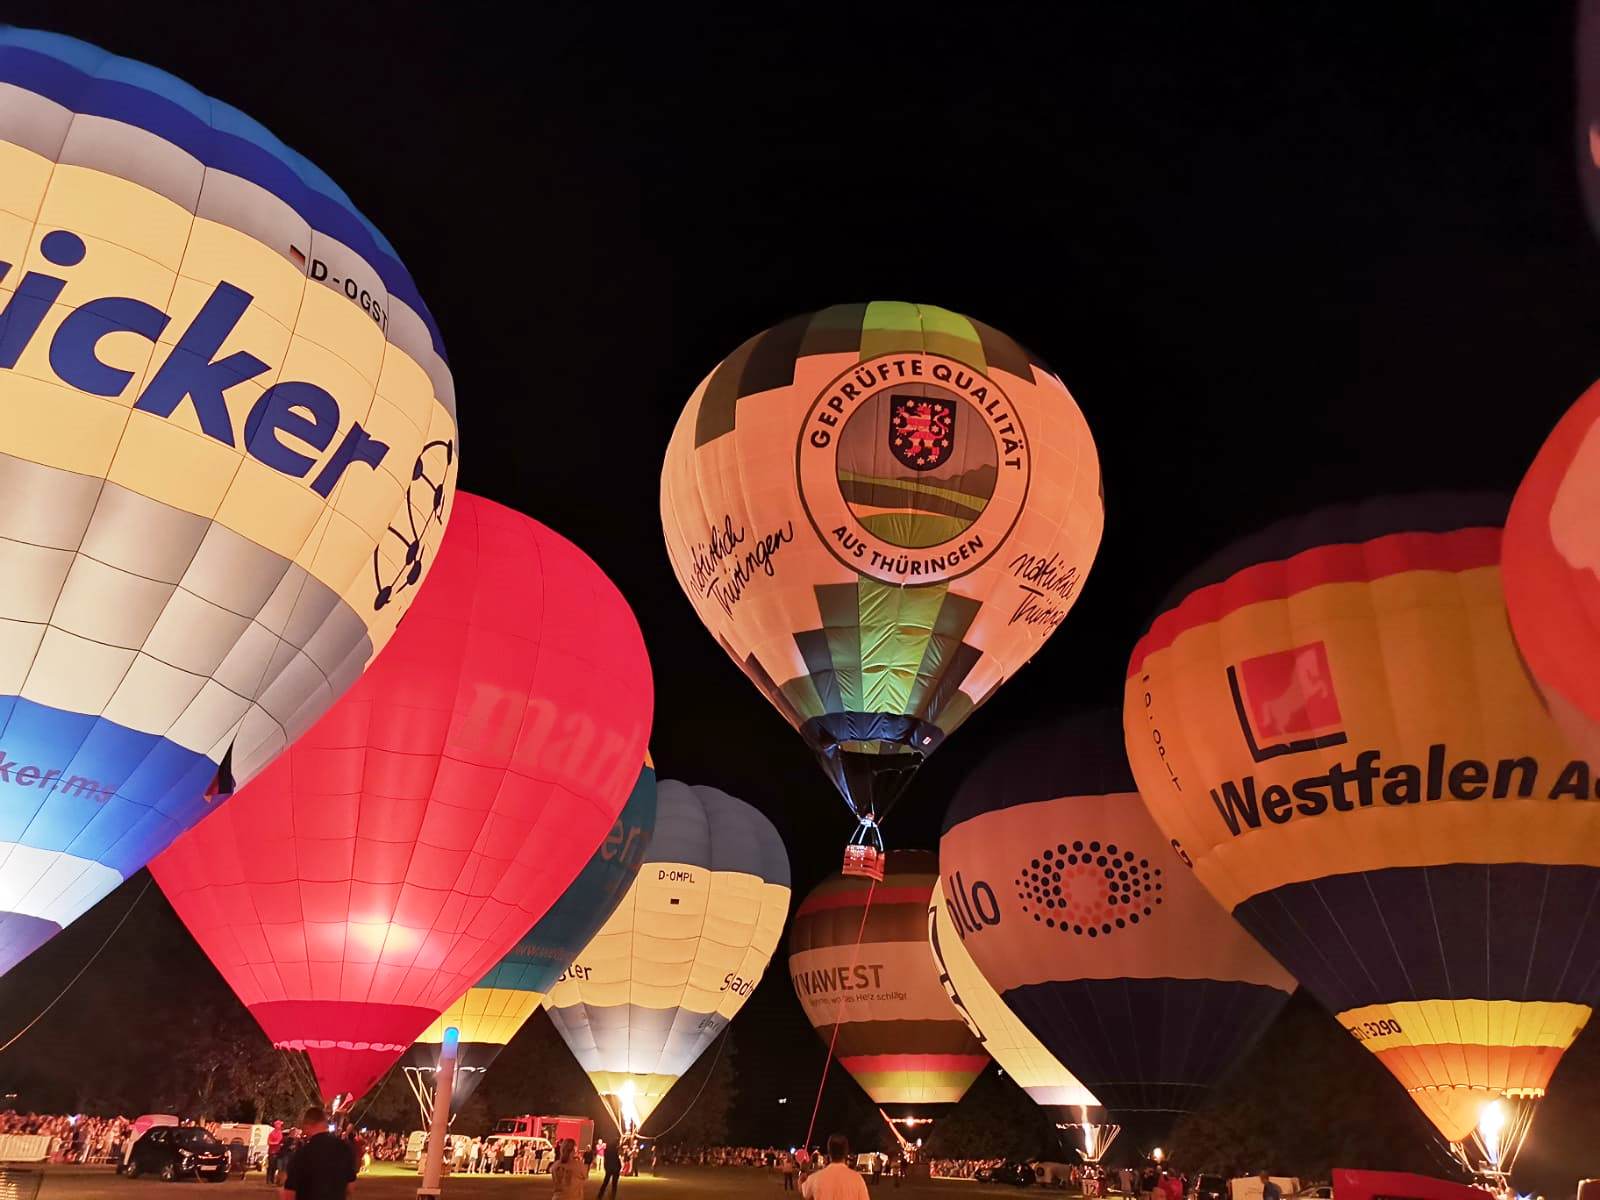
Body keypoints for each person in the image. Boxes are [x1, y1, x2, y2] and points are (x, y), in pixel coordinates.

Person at [279, 1108, 354, 1200]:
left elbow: (289, 1194)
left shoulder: (302, 1154)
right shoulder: (344, 1148)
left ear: (307, 1125)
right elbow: (350, 1187)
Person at [801, 1134, 868, 1200]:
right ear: (846, 1152)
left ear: (829, 1152)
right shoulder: (857, 1179)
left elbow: (804, 1191)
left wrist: (803, 1171)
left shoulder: (815, 1178)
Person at [266, 1121, 285, 1185]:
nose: (281, 1126)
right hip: (272, 1152)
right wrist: (277, 1143)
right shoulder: (272, 1133)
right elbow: (269, 1142)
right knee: (271, 1166)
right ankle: (268, 1180)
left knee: (275, 1167)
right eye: (280, 1125)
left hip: (278, 1152)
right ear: (276, 1125)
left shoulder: (280, 1133)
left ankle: (272, 1179)